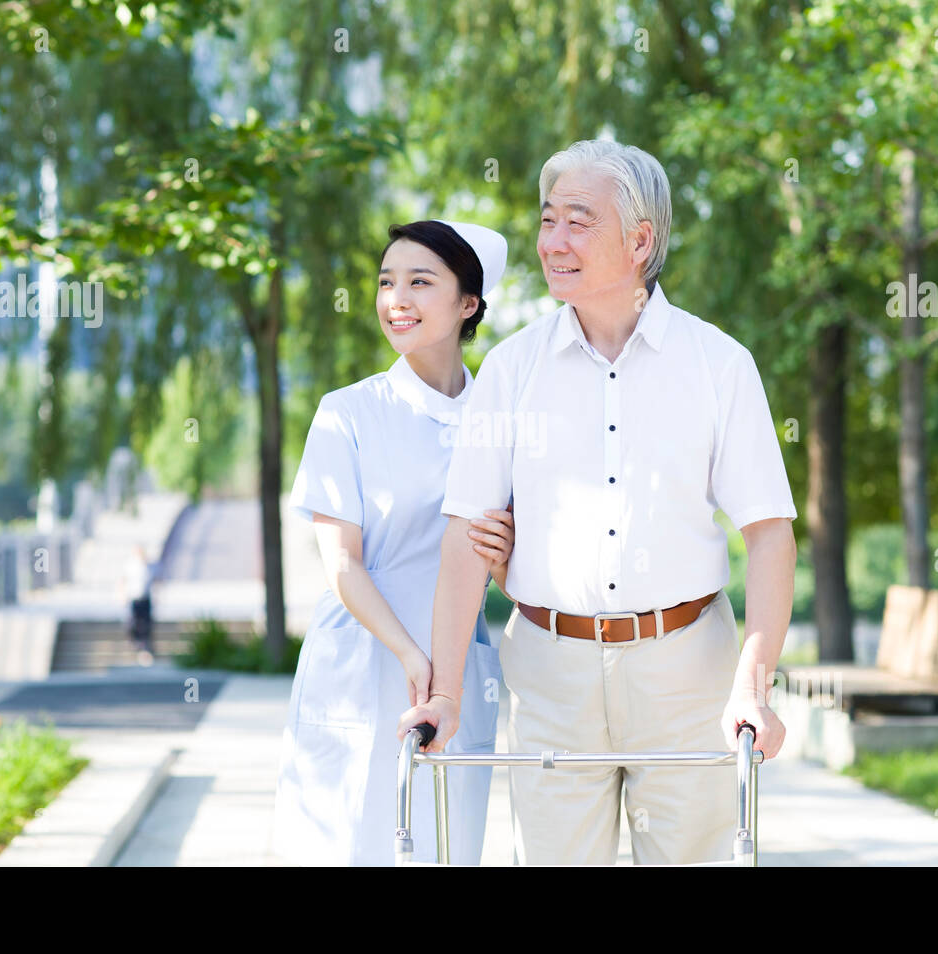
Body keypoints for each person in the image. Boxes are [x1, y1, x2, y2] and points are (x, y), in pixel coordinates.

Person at [398, 140, 798, 866]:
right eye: (547, 220)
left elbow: (769, 534)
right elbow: (465, 538)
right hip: (551, 675)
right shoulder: (511, 371)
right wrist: (447, 695)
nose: (552, 241)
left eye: (577, 222)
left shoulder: (719, 366)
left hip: (687, 676)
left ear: (640, 240)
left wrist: (753, 684)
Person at [274, 219, 513, 866]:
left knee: (444, 843)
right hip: (363, 657)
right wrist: (412, 655)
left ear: (469, 303)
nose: (395, 299)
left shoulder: (502, 418)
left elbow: (516, 560)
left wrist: (508, 552)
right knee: (349, 844)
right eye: (385, 282)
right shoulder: (348, 411)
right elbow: (342, 564)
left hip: (459, 665)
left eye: (419, 282)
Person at [120, 544, 155, 666]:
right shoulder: (131, 566)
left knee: (145, 624)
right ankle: (136, 645)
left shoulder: (149, 566)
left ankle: (145, 648)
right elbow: (123, 580)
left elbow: (154, 580)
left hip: (145, 598)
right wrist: (123, 595)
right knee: (134, 623)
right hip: (134, 598)